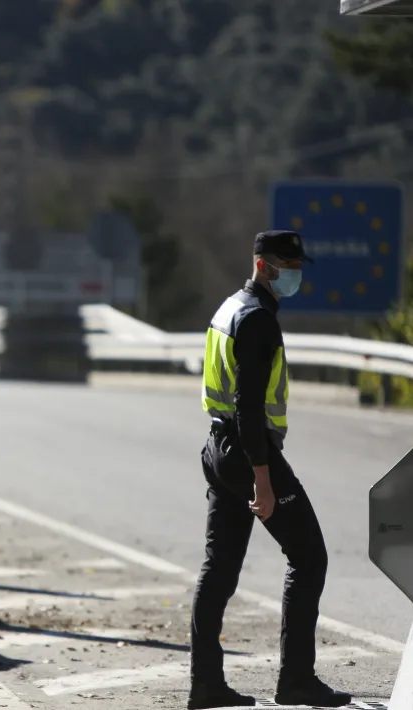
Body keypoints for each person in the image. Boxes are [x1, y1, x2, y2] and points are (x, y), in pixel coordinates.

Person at [188, 230, 352, 710]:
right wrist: (263, 476)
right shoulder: (258, 319)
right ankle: (296, 680)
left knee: (218, 568)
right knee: (309, 558)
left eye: (299, 263)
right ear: (263, 264)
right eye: (287, 263)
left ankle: (205, 684)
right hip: (247, 451)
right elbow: (249, 406)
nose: (295, 272)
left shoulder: (229, 308)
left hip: (218, 448)